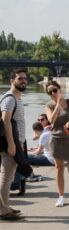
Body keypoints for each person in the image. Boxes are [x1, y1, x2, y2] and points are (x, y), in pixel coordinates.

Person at [45, 80, 69, 207]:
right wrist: (57, 105)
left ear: (59, 90)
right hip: (55, 138)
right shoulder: (49, 105)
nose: (53, 93)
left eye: (54, 90)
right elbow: (51, 120)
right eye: (50, 92)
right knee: (59, 168)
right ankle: (61, 196)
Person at [0, 69, 27, 221]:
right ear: (12, 81)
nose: (23, 80)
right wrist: (11, 144)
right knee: (6, 176)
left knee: (8, 177)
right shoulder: (10, 98)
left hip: (17, 142)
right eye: (19, 78)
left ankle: (5, 206)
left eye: (24, 78)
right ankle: (3, 211)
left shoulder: (17, 98)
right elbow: (6, 120)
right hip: (11, 144)